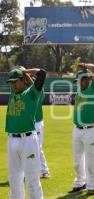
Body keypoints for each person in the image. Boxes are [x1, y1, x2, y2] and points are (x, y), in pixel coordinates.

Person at [5, 67, 46, 199]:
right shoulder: (13, 92)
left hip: (28, 140)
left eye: (16, 81)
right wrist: (19, 74)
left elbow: (42, 74)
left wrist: (25, 72)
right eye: (11, 82)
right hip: (12, 139)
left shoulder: (31, 93)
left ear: (23, 80)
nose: (13, 85)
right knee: (14, 179)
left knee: (32, 180)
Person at [68, 63, 94, 196]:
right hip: (77, 129)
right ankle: (79, 183)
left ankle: (91, 185)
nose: (80, 83)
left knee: (91, 159)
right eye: (79, 80)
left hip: (92, 129)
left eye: (83, 79)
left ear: (89, 79)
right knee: (77, 160)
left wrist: (85, 65)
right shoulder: (78, 90)